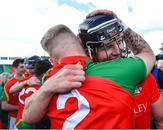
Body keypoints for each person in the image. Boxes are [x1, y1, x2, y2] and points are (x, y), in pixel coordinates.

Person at [23, 16, 154, 129]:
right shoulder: (119, 71)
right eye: (108, 46)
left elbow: (28, 118)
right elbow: (147, 54)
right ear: (81, 42)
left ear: (52, 60)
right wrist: (120, 24)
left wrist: (47, 88)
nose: (117, 51)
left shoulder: (49, 77)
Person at [78, 10, 163, 129]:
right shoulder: (77, 84)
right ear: (89, 52)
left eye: (119, 41)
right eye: (108, 46)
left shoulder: (140, 76)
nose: (118, 51)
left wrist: (120, 24)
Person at [15, 59, 52, 129]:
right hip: (28, 122)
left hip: (20, 119)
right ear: (45, 73)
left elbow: (12, 89)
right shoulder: (41, 86)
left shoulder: (27, 79)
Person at [1, 58, 25, 129]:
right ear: (14, 68)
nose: (24, 69)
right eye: (21, 67)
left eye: (24, 67)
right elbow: (4, 106)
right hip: (14, 118)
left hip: (27, 117)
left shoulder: (28, 79)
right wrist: (20, 107)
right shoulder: (8, 84)